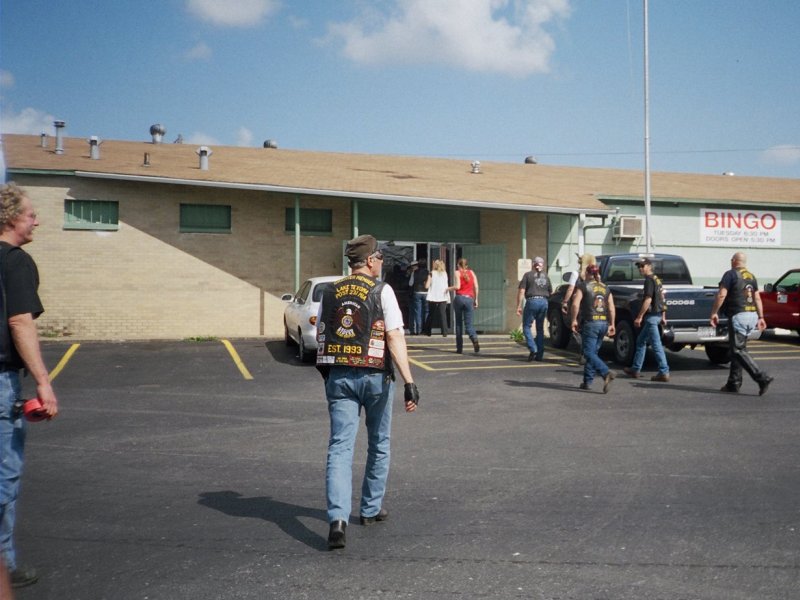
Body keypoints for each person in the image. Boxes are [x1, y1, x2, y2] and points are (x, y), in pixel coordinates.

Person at [316, 234, 419, 550]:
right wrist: (409, 382)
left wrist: (329, 375)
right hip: (375, 377)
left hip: (340, 377)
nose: (382, 263)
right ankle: (370, 509)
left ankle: (337, 520)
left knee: (340, 446)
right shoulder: (381, 290)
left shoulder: (330, 291)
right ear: (371, 260)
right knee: (379, 442)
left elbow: (322, 334)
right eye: (380, 257)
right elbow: (394, 337)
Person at [1, 183, 59, 589]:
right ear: (10, 218)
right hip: (2, 380)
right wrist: (43, 382)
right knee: (4, 474)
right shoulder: (15, 262)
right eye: (31, 214)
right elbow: (20, 321)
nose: (36, 221)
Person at [709, 252, 773, 395]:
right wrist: (761, 317)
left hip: (738, 315)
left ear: (733, 261)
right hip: (751, 315)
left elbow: (722, 295)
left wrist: (714, 312)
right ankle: (734, 383)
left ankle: (762, 377)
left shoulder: (730, 274)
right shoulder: (751, 276)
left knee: (738, 350)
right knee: (737, 350)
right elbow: (757, 298)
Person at [569, 264, 616, 393]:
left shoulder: (583, 286)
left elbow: (575, 304)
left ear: (587, 273)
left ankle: (606, 372)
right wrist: (612, 324)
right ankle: (587, 381)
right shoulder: (605, 287)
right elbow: (611, 307)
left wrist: (573, 320)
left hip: (591, 323)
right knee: (593, 353)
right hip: (603, 323)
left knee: (588, 353)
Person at [623, 257, 670, 382]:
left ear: (649, 266)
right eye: (639, 266)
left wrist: (639, 317)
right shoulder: (657, 279)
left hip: (651, 317)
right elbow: (662, 297)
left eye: (642, 266)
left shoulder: (649, 280)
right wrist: (663, 316)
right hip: (656, 315)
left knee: (656, 345)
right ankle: (635, 369)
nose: (640, 268)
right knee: (640, 341)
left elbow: (648, 299)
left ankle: (664, 371)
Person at [516, 256, 552, 361]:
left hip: (532, 301)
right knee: (540, 329)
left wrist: (518, 306)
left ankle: (533, 348)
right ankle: (539, 355)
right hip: (544, 301)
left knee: (526, 327)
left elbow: (522, 291)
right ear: (542, 265)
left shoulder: (528, 275)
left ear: (533, 264)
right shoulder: (546, 276)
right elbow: (550, 292)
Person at [451, 258, 480, 354]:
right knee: (469, 324)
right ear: (467, 266)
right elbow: (476, 286)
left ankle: (459, 348)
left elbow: (458, 286)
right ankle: (474, 338)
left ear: (458, 265)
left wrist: (448, 288)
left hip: (459, 298)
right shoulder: (471, 272)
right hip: (469, 299)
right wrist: (476, 299)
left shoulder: (457, 273)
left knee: (458, 324)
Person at [423, 259, 449, 336]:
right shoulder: (445, 273)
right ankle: (444, 332)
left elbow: (427, 286)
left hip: (433, 296)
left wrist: (425, 283)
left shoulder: (431, 273)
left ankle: (428, 331)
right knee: (443, 314)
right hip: (443, 296)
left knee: (431, 314)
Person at [406, 260, 429, 335]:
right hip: (426, 292)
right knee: (426, 311)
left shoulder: (414, 272)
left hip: (417, 292)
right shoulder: (427, 272)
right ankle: (425, 329)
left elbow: (410, 283)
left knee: (417, 312)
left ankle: (418, 330)